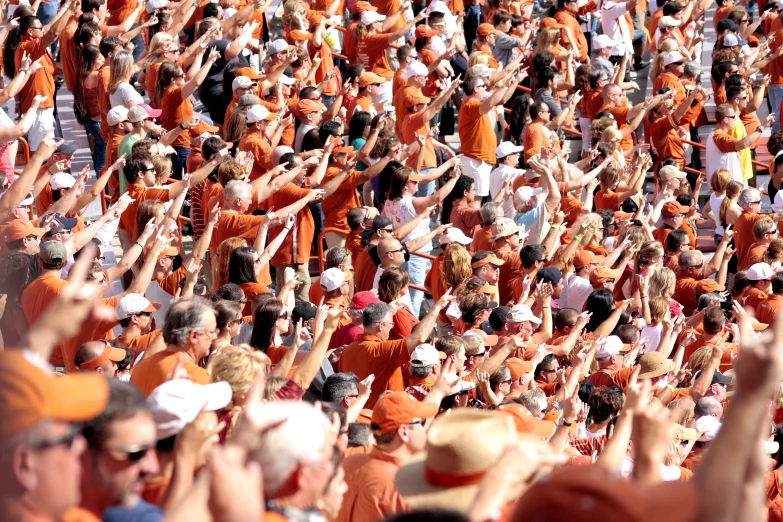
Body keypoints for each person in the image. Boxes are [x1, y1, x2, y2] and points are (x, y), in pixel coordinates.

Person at [337, 392, 438, 522]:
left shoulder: (349, 460)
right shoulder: (406, 487)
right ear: (404, 432)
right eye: (422, 422)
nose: (425, 429)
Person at [130, 298, 217, 396]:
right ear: (194, 336)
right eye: (212, 332)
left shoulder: (140, 369)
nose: (215, 337)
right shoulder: (197, 378)